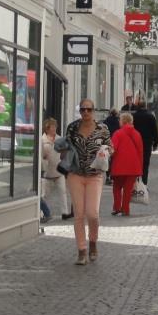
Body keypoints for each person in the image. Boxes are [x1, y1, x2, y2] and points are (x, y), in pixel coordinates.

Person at [65, 98, 112, 265]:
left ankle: (93, 241)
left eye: (89, 109)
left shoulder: (103, 129)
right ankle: (81, 250)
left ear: (94, 111)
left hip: (95, 175)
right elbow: (66, 147)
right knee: (79, 214)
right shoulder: (72, 127)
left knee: (92, 214)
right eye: (82, 109)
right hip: (75, 174)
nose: (85, 112)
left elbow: (111, 147)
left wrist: (106, 152)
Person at [110, 113, 143, 216]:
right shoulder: (137, 134)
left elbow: (113, 149)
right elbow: (140, 152)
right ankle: (125, 209)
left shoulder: (117, 133)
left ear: (123, 121)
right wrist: (140, 169)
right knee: (128, 190)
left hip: (119, 166)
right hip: (133, 167)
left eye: (119, 120)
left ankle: (117, 208)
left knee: (117, 188)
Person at [41, 118, 72, 220]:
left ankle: (65, 213)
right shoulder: (42, 140)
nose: (54, 128)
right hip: (47, 173)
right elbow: (39, 156)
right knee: (44, 195)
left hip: (59, 172)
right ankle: (41, 213)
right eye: (52, 126)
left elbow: (66, 152)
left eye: (55, 126)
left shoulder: (60, 139)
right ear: (47, 128)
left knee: (63, 192)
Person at [132, 98, 158, 186]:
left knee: (135, 162)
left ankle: (135, 182)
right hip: (147, 143)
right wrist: (155, 143)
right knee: (145, 163)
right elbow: (155, 130)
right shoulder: (150, 116)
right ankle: (144, 183)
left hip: (135, 142)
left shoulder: (134, 116)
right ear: (146, 106)